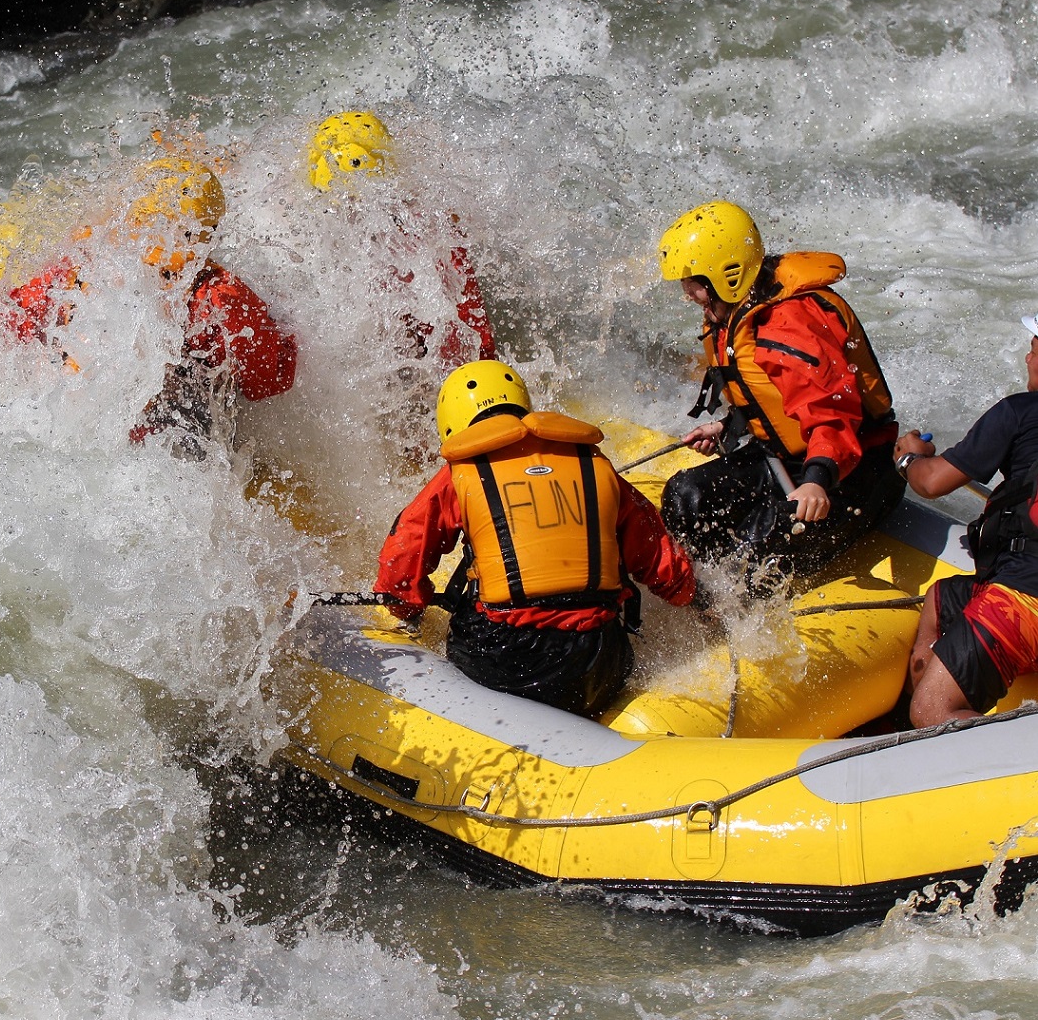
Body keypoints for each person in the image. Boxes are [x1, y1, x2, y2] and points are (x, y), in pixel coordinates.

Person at [374, 360, 696, 718]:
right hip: (602, 659)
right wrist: (692, 596)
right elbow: (662, 560)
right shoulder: (592, 460)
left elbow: (400, 564)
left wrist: (408, 609)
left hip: (508, 663)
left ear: (452, 424)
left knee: (469, 612)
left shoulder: (459, 475)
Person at [657, 200, 905, 587]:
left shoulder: (790, 324)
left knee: (754, 551)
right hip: (785, 459)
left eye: (694, 286)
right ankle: (708, 599)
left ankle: (740, 603)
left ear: (729, 276)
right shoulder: (736, 312)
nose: (689, 295)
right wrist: (727, 426)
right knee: (684, 496)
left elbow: (831, 415)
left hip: (851, 472)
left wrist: (817, 480)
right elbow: (775, 400)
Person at [2, 157, 298, 454]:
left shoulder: (79, 265)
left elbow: (9, 323)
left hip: (62, 433)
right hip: (166, 450)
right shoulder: (214, 296)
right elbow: (267, 383)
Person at [891, 315, 1038, 728]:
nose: (1028, 355)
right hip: (1023, 587)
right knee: (941, 600)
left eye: (1035, 346)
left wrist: (909, 457)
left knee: (932, 712)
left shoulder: (1020, 412)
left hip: (1026, 599)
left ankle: (938, 723)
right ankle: (915, 715)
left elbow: (932, 482)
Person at [307, 110, 497, 365]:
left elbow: (474, 348)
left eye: (358, 204)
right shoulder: (310, 237)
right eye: (342, 208)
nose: (353, 217)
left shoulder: (432, 236)